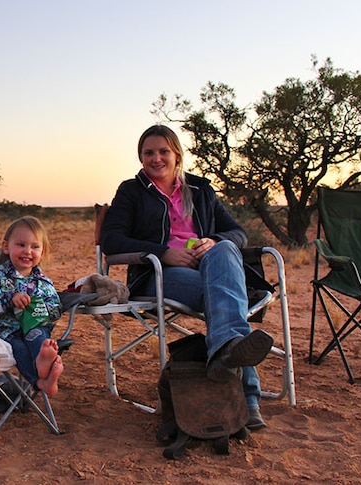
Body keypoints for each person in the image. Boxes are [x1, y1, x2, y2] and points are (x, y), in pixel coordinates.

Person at [100, 124, 274, 430]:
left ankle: (225, 352)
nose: (156, 159)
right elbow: (113, 241)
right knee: (225, 294)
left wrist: (215, 240)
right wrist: (163, 252)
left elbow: (238, 233)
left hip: (210, 269)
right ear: (140, 157)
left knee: (224, 250)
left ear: (176, 154)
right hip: (159, 274)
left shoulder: (201, 190)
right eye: (148, 153)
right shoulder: (131, 191)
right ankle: (248, 397)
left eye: (163, 151)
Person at [0, 216, 64, 397]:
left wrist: (40, 308)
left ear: (42, 252)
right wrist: (10, 299)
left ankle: (42, 368)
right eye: (21, 245)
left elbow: (56, 309)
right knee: (17, 349)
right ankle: (41, 376)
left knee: (40, 339)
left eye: (35, 247)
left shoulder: (43, 282)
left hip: (35, 327)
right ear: (6, 247)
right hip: (7, 331)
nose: (27, 251)